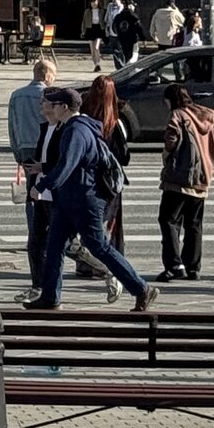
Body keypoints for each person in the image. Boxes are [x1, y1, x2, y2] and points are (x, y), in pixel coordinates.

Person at [26, 84, 157, 312]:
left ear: (64, 107)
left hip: (85, 200)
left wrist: (43, 185)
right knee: (54, 246)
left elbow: (67, 165)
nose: (51, 108)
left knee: (99, 246)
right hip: (68, 200)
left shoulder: (77, 130)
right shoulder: (70, 127)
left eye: (54, 104)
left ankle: (141, 288)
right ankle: (50, 297)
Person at [158, 78, 214, 280]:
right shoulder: (204, 116)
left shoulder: (178, 114)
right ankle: (193, 268)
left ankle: (174, 265)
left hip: (179, 179)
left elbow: (171, 140)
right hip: (201, 179)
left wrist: (168, 155)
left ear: (171, 99)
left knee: (168, 220)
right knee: (194, 225)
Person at [80, 73, 132, 298]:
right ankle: (114, 264)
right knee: (110, 226)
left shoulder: (83, 117)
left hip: (87, 180)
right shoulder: (114, 122)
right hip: (109, 184)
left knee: (88, 224)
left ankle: (87, 264)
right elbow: (124, 156)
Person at [8, 57, 58, 290]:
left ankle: (35, 232)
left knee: (32, 194)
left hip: (25, 148)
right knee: (47, 193)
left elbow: (12, 125)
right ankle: (44, 232)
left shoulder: (17, 95)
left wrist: (16, 151)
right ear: (47, 75)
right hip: (45, 148)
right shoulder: (50, 96)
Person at [110, 0, 143, 67]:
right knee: (134, 55)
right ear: (130, 6)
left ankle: (127, 67)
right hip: (132, 39)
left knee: (126, 55)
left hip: (122, 39)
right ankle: (128, 67)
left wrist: (119, 34)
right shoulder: (133, 16)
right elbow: (138, 27)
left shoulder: (118, 16)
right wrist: (142, 38)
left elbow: (114, 27)